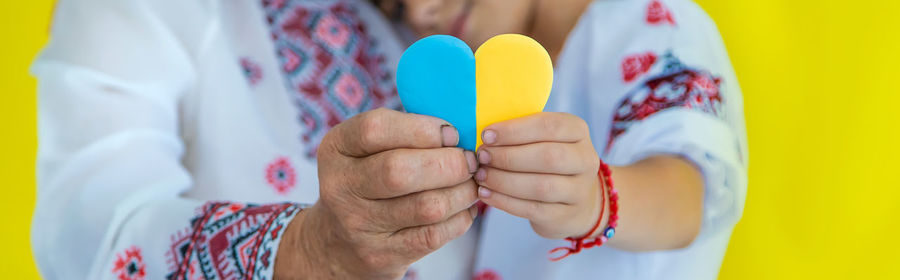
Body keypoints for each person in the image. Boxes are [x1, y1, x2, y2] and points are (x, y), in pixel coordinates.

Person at [31, 0, 746, 279]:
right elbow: (85, 228)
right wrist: (308, 250)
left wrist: (603, 201)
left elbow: (694, 187)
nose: (421, 10)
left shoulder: (649, 28)